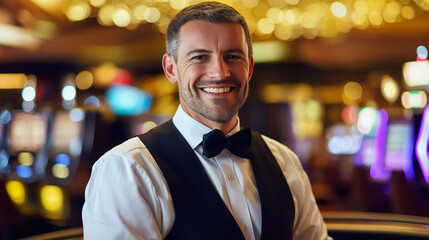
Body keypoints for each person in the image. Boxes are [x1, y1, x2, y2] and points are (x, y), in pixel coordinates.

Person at [82, 1, 331, 239]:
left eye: (233, 56)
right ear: (171, 69)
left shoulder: (284, 160)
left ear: (250, 67)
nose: (220, 72)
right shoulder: (127, 169)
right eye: (200, 57)